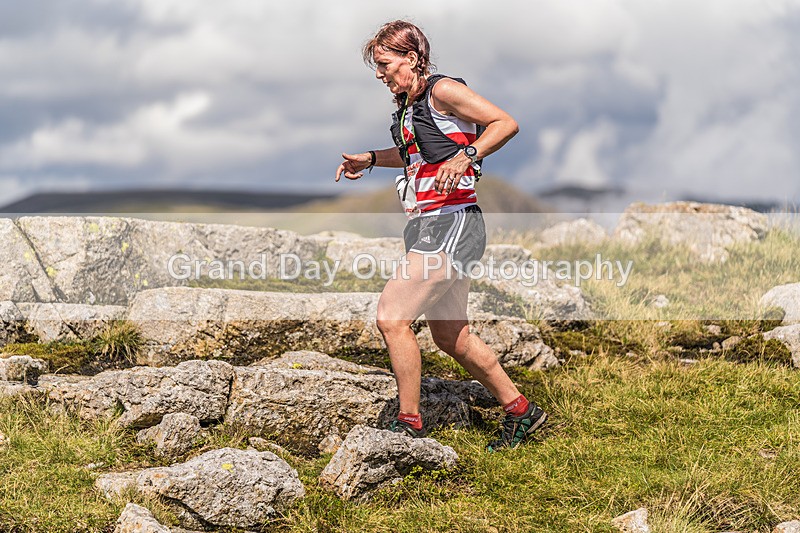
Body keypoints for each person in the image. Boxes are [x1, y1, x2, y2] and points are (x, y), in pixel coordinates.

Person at [335, 20, 546, 451]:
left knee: (392, 318)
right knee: (452, 337)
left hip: (452, 223)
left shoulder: (443, 90)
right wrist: (371, 159)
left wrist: (468, 156)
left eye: (384, 64)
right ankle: (522, 412)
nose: (380, 74)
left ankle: (409, 423)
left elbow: (505, 123)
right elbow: (415, 155)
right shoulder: (410, 105)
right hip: (429, 225)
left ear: (411, 58)